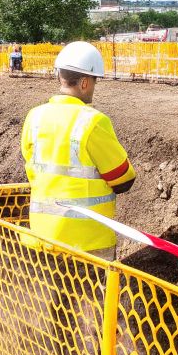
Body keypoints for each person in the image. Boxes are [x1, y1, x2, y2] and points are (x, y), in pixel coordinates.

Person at [21, 41, 136, 257]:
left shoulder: (34, 116)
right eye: (94, 82)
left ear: (59, 77)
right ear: (84, 82)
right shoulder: (93, 122)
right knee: (93, 293)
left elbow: (33, 165)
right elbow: (123, 179)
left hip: (41, 237)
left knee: (51, 291)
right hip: (86, 243)